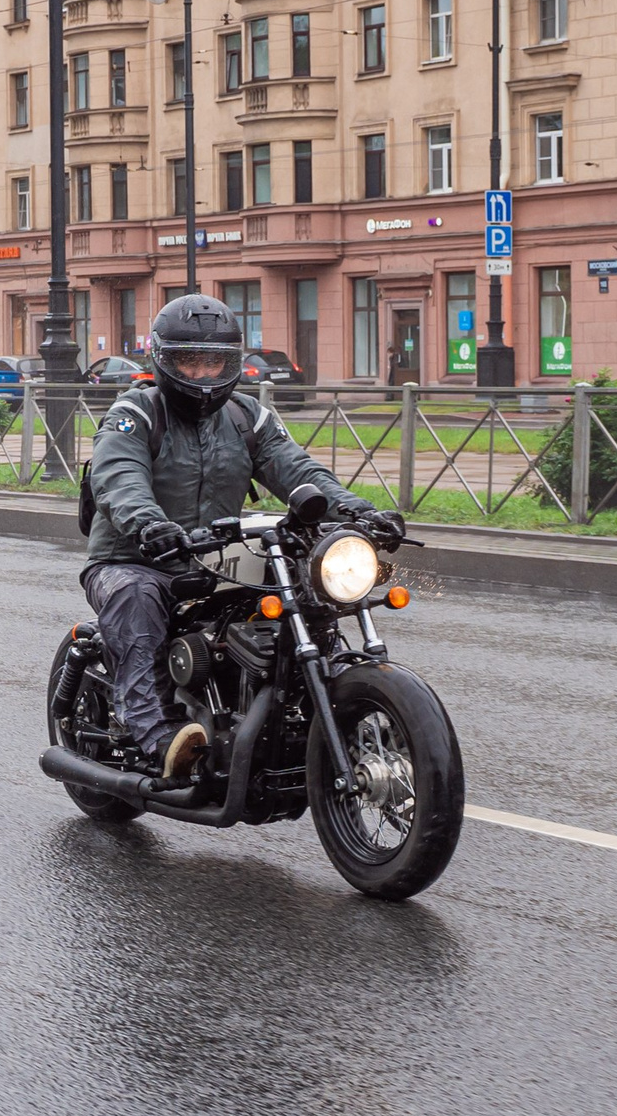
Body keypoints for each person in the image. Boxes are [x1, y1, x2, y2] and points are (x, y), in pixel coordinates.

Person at [83, 293, 399, 778]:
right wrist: (149, 524)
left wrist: (359, 512)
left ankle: (314, 704)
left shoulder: (246, 416)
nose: (204, 375)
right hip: (135, 557)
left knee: (302, 586)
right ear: (164, 361)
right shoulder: (137, 412)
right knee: (137, 595)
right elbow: (117, 474)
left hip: (215, 560)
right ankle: (157, 734)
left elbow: (298, 470)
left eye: (216, 363)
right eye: (190, 362)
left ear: (232, 362)